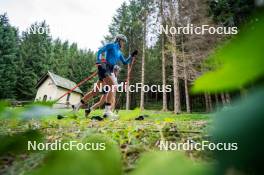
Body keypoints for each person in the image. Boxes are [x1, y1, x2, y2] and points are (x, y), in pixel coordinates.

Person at [72, 34, 138, 118]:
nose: (123, 44)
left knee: (94, 92)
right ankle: (107, 111)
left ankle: (76, 106)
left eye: (124, 42)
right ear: (118, 40)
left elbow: (125, 62)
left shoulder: (119, 52)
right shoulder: (111, 45)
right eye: (123, 41)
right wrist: (100, 62)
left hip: (109, 70)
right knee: (112, 86)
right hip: (104, 66)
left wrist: (131, 56)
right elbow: (101, 51)